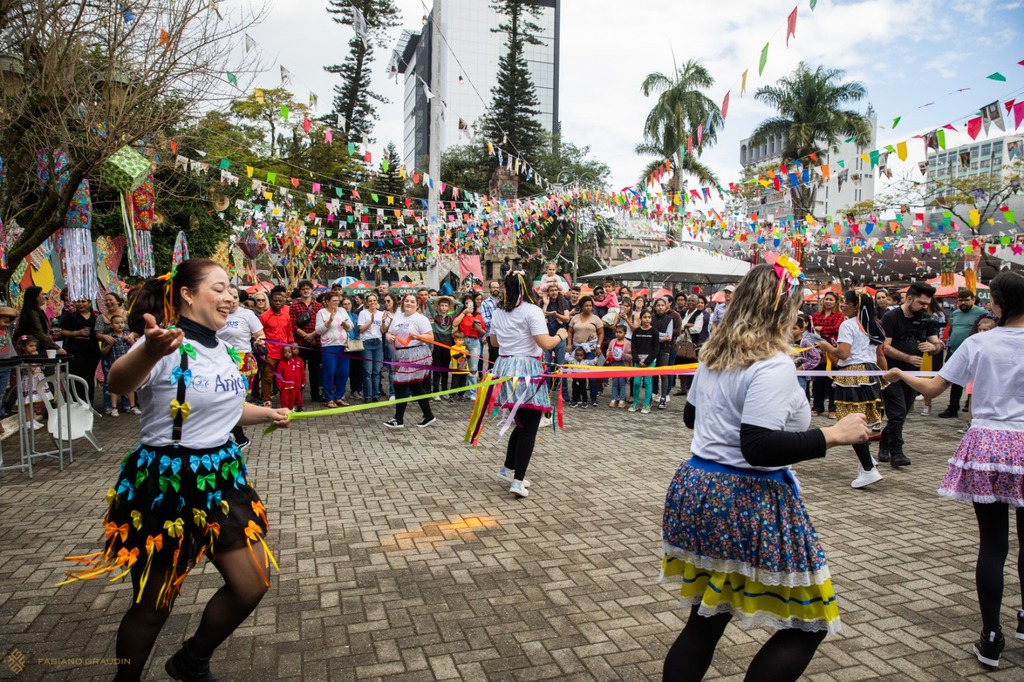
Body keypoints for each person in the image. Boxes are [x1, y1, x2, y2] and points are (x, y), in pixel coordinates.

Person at [61, 259, 290, 682]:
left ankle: (191, 660)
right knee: (154, 605)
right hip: (166, 483)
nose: (230, 297)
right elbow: (117, 384)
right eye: (219, 288)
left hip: (221, 477)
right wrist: (148, 350)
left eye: (232, 291)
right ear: (187, 293)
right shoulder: (165, 343)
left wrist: (267, 413)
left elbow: (227, 407)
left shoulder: (221, 348)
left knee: (251, 584)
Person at [661, 263, 870, 681]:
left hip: (699, 488)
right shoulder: (772, 364)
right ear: (783, 309)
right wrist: (832, 434)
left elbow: (691, 417)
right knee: (809, 621)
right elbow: (756, 447)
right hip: (745, 498)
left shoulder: (715, 354)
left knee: (707, 619)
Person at [882, 271, 1024, 669]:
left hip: (989, 444)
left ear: (997, 302)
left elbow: (931, 389)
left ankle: (991, 636)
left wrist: (897, 374)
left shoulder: (980, 343)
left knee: (994, 545)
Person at [488, 270, 570, 497]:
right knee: (529, 426)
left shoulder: (498, 312)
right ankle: (517, 480)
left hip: (505, 368)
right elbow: (545, 343)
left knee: (522, 423)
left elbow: (494, 341)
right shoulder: (532, 311)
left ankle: (507, 469)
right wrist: (561, 335)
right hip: (526, 371)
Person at [817, 291, 887, 489]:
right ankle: (867, 461)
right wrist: (885, 375)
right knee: (863, 420)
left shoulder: (847, 325)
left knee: (852, 421)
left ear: (854, 306)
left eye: (844, 304)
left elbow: (843, 353)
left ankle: (867, 469)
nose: (842, 307)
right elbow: (880, 354)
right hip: (871, 374)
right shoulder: (874, 324)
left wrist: (827, 347)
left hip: (853, 374)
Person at [878, 281, 943, 467]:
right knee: (897, 412)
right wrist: (907, 358)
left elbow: (937, 345)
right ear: (909, 299)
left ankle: (884, 442)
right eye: (921, 303)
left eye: (927, 303)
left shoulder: (927, 318)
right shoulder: (891, 317)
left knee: (903, 412)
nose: (924, 307)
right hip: (891, 373)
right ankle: (896, 452)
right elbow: (885, 347)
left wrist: (933, 347)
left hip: (913, 375)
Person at [218, 284, 265, 448]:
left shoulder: (247, 315)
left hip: (242, 360)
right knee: (221, 399)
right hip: (219, 360)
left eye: (236, 298)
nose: (233, 302)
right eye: (229, 298)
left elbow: (260, 334)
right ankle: (234, 435)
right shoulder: (216, 314)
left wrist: (260, 341)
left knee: (234, 400)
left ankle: (238, 437)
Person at [381, 293, 436, 428]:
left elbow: (431, 337)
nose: (409, 304)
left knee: (400, 384)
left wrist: (417, 336)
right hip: (401, 354)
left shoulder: (420, 318)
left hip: (416, 354)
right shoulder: (398, 317)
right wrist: (388, 336)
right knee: (415, 387)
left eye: (412, 302)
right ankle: (428, 416)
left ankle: (398, 420)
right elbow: (389, 332)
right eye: (407, 301)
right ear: (402, 303)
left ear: (417, 305)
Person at [938, 289, 989, 419]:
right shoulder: (955, 313)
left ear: (973, 300)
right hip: (954, 351)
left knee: (975, 381)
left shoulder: (982, 313)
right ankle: (953, 407)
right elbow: (953, 331)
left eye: (966, 300)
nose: (963, 302)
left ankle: (972, 406)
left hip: (973, 352)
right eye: (960, 300)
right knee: (954, 380)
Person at [56, 296, 101, 404]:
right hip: (75, 350)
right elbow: (60, 331)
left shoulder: (96, 318)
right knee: (75, 376)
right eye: (78, 302)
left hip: (91, 351)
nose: (81, 304)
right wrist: (76, 333)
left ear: (89, 303)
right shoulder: (70, 317)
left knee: (89, 376)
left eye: (83, 301)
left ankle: (88, 401)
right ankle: (74, 402)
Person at [313, 292, 352, 408]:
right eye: (334, 300)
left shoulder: (342, 311)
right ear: (327, 301)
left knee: (344, 372)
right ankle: (329, 397)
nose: (336, 303)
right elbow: (319, 331)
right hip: (328, 346)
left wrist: (346, 325)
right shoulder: (321, 312)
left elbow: (350, 328)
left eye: (337, 300)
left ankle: (339, 396)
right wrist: (329, 321)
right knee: (329, 372)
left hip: (343, 345)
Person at [809, 291, 844, 418]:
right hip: (817, 351)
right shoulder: (816, 314)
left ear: (836, 302)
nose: (828, 301)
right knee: (818, 381)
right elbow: (812, 328)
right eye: (826, 299)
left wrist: (821, 329)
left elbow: (837, 328)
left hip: (833, 350)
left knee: (832, 381)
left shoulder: (839, 315)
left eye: (831, 299)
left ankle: (833, 408)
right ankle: (817, 407)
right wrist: (821, 330)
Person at [98, 314, 140, 416]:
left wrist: (131, 341)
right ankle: (114, 408)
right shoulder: (109, 337)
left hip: (128, 365)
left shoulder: (128, 335)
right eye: (117, 323)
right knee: (114, 386)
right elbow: (103, 351)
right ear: (112, 325)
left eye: (122, 323)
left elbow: (136, 347)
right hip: (115, 366)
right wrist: (109, 344)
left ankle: (132, 406)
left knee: (130, 386)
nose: (120, 325)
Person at [289, 280, 324, 403]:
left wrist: (312, 336)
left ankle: (315, 394)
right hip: (300, 343)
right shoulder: (294, 306)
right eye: (303, 288)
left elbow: (322, 324)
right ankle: (297, 395)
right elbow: (292, 325)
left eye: (307, 288)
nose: (305, 290)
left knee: (316, 371)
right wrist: (306, 336)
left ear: (311, 290)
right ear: (300, 291)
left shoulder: (319, 306)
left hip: (316, 343)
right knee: (298, 371)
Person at [96, 292, 130, 415]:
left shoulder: (127, 314)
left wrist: (131, 337)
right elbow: (97, 334)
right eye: (106, 300)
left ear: (118, 301)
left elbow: (134, 330)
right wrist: (105, 337)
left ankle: (128, 404)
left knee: (127, 378)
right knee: (109, 379)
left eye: (110, 300)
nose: (108, 302)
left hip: (126, 350)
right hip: (110, 352)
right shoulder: (101, 317)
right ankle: (109, 405)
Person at [258, 290, 293, 408]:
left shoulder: (286, 316)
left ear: (284, 302)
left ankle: (286, 400)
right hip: (270, 352)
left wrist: (291, 346)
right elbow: (259, 334)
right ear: (271, 301)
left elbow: (289, 332)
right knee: (268, 377)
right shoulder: (264, 317)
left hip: (284, 352)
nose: (278, 303)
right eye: (275, 301)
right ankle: (266, 400)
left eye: (280, 301)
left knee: (286, 376)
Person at [568, 296, 603, 407]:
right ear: (581, 306)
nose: (588, 308)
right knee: (577, 375)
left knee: (591, 376)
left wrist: (598, 346)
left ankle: (593, 398)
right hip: (577, 349)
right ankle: (577, 397)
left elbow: (601, 333)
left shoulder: (596, 319)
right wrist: (569, 344)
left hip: (590, 349)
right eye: (586, 305)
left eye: (590, 306)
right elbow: (570, 332)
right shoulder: (575, 318)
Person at [540, 283, 572, 404]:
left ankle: (564, 393)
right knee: (546, 367)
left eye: (555, 290)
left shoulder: (563, 301)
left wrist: (555, 314)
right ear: (547, 291)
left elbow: (567, 318)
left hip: (560, 337)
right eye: (551, 290)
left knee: (561, 366)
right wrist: (546, 304)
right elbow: (540, 317)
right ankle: (545, 392)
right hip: (546, 337)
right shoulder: (543, 302)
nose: (554, 292)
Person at [425, 295, 462, 400]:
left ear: (449, 307)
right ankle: (436, 391)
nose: (443, 307)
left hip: (447, 344)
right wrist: (441, 297)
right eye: (442, 305)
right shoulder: (435, 315)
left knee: (445, 369)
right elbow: (429, 301)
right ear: (438, 306)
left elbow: (460, 305)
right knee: (436, 368)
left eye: (446, 305)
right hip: (437, 344)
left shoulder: (452, 316)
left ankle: (445, 391)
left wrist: (450, 299)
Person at [15, 285, 62, 358]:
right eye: (42, 294)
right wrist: (57, 348)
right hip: (35, 351)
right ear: (35, 297)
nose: (45, 297)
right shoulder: (32, 313)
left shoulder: (38, 311)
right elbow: (39, 333)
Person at [452, 295, 485, 400]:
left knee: (473, 368)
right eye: (466, 303)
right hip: (463, 342)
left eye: (470, 303)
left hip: (475, 342)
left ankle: (472, 393)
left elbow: (483, 332)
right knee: (462, 368)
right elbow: (454, 323)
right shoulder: (461, 315)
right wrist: (464, 312)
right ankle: (463, 392)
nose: (468, 305)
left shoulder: (478, 316)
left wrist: (479, 329)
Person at [628, 308, 659, 414]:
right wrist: (637, 360)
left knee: (647, 383)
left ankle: (646, 404)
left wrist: (646, 362)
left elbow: (656, 349)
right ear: (641, 318)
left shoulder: (654, 332)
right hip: (637, 362)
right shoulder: (636, 331)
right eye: (645, 317)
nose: (647, 319)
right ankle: (635, 403)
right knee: (636, 382)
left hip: (649, 362)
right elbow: (633, 347)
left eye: (649, 317)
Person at [358, 294, 385, 402]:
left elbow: (383, 331)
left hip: (378, 343)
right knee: (367, 371)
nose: (372, 302)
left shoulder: (381, 313)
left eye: (374, 300)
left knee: (376, 371)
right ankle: (367, 395)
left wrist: (383, 321)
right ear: (367, 302)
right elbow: (361, 330)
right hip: (367, 343)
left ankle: (375, 394)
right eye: (370, 301)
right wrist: (371, 321)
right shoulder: (363, 313)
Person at [791, 313, 822, 395]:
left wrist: (802, 367)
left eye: (794, 328)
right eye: (789, 328)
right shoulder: (785, 342)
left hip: (800, 375)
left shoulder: (805, 343)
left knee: (800, 394)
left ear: (801, 330)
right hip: (787, 373)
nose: (791, 331)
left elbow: (816, 358)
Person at [606, 324, 631, 408]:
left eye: (620, 332)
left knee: (622, 383)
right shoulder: (613, 341)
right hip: (615, 364)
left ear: (625, 333)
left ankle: (622, 399)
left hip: (623, 365)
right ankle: (614, 398)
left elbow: (631, 356)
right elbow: (608, 350)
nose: (618, 334)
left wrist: (625, 356)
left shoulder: (628, 343)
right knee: (615, 382)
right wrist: (609, 354)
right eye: (616, 332)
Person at [277, 345, 306, 411]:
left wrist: (302, 381)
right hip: (284, 386)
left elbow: (300, 373)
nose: (287, 354)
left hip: (293, 385)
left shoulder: (294, 362)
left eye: (289, 352)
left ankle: (292, 408)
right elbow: (278, 375)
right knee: (284, 399)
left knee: (292, 398)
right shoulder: (281, 363)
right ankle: (284, 410)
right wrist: (279, 384)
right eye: (285, 352)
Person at [450, 330, 470, 398]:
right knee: (454, 384)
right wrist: (462, 353)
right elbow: (454, 357)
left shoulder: (464, 347)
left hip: (464, 369)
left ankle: (461, 395)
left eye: (462, 340)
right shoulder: (453, 348)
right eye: (459, 340)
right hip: (456, 370)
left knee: (463, 384)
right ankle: (452, 395)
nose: (461, 341)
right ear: (455, 340)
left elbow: (468, 357)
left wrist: (468, 353)